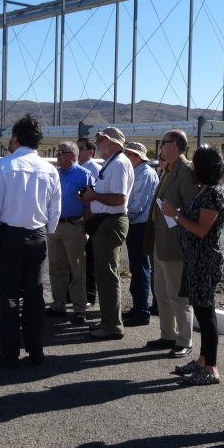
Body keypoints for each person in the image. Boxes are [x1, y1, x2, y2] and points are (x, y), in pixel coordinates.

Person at [0, 115, 62, 368]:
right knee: (35, 294)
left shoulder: (4, 166)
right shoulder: (49, 168)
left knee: (8, 295)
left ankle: (9, 352)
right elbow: (55, 207)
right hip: (37, 235)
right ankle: (36, 351)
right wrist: (49, 230)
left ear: (16, 138)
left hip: (11, 235)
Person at [162, 145, 224, 386]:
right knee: (201, 310)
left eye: (195, 162)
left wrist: (176, 215)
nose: (191, 166)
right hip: (195, 259)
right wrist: (180, 214)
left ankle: (211, 368)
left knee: (206, 314)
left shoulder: (214, 194)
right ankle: (202, 361)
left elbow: (201, 230)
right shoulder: (204, 190)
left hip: (204, 261)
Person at [77, 127, 133, 340]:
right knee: (104, 273)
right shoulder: (113, 163)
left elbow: (119, 198)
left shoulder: (118, 164)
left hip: (111, 222)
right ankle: (108, 321)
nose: (98, 143)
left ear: (114, 142)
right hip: (106, 222)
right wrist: (93, 196)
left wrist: (93, 196)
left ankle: (112, 326)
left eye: (102, 140)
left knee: (107, 275)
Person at [145, 130, 198, 358]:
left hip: (175, 243)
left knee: (177, 294)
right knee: (161, 291)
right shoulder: (168, 170)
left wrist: (176, 214)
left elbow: (192, 207)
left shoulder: (185, 171)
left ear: (175, 145)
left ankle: (184, 340)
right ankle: (168, 334)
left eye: (163, 143)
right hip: (161, 241)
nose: (160, 147)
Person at [46, 141, 94, 323]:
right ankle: (58, 304)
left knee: (77, 268)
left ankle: (79, 308)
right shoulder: (55, 174)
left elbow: (91, 202)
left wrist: (83, 222)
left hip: (74, 225)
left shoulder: (84, 175)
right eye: (57, 152)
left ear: (72, 156)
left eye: (61, 152)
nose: (57, 155)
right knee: (56, 267)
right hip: (54, 226)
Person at [122, 141, 158, 327]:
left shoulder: (144, 174)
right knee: (138, 267)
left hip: (140, 226)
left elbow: (137, 206)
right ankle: (139, 308)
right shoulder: (140, 172)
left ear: (137, 157)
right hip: (138, 224)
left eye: (128, 154)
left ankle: (141, 311)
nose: (126, 157)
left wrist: (120, 212)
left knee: (140, 268)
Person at [76, 137, 101, 306]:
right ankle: (75, 293)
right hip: (77, 219)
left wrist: (87, 217)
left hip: (89, 218)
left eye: (81, 148)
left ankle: (89, 295)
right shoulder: (78, 168)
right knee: (76, 258)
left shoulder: (95, 169)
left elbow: (95, 196)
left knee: (88, 259)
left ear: (91, 152)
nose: (78, 151)